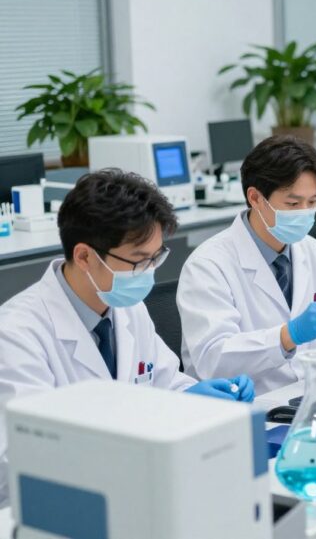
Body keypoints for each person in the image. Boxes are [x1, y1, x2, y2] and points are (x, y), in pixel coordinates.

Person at [0, 169, 254, 506]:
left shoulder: (125, 307)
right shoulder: (17, 333)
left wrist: (193, 393)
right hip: (57, 505)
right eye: (138, 260)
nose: (148, 272)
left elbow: (161, 380)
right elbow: (28, 452)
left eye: (155, 258)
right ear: (84, 256)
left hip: (134, 485)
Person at [178, 136, 316, 394]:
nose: (305, 212)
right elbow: (213, 359)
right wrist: (288, 335)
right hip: (249, 406)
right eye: (293, 203)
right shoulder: (208, 265)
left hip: (306, 394)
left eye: (313, 202)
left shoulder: (311, 250)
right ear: (255, 197)